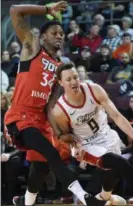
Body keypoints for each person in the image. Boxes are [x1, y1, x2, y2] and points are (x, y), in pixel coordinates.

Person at [4, 2, 106, 206]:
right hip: (20, 116)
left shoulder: (60, 69)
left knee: (41, 167)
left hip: (41, 120)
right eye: (54, 32)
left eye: (61, 33)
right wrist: (47, 10)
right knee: (51, 155)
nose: (59, 35)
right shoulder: (32, 48)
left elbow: (50, 106)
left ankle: (24, 202)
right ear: (43, 37)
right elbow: (15, 10)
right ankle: (85, 198)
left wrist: (59, 132)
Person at [52, 62, 133, 205]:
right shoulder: (59, 110)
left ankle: (103, 196)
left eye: (75, 77)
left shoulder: (94, 90)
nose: (74, 81)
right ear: (61, 82)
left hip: (107, 134)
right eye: (68, 79)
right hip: (87, 144)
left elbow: (116, 116)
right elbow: (64, 136)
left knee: (114, 170)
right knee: (121, 164)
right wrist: (75, 145)